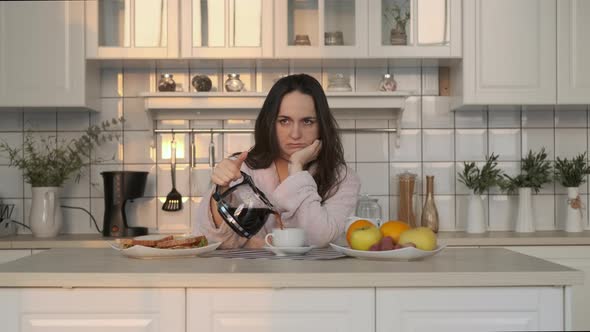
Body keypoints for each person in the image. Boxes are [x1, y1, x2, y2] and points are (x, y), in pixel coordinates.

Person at [193, 74, 360, 248]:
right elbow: (209, 239)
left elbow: (319, 238)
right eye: (284, 121)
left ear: (321, 126)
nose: (295, 134)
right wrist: (220, 190)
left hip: (314, 275)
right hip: (249, 274)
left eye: (308, 121)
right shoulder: (242, 168)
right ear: (270, 123)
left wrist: (297, 169)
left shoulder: (342, 178)